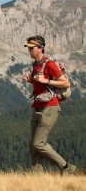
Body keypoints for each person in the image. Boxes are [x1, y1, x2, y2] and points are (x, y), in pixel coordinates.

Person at [22, 36, 77, 174]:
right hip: (37, 106)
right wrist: (30, 81)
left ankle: (66, 167)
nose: (29, 50)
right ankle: (37, 175)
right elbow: (40, 85)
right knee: (33, 146)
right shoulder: (36, 64)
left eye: (32, 48)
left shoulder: (49, 64)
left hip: (49, 108)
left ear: (40, 48)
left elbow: (65, 83)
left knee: (38, 144)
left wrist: (46, 80)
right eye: (28, 48)